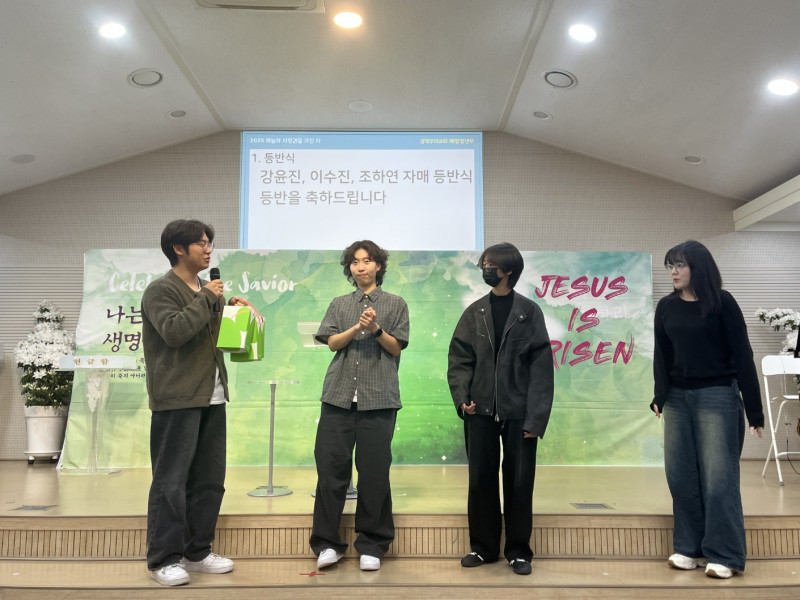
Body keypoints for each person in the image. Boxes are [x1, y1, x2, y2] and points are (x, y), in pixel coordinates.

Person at [141, 219, 251, 587]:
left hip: (213, 396)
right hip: (176, 399)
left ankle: (197, 551)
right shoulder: (161, 290)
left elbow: (217, 341)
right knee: (171, 482)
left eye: (209, 243)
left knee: (209, 481)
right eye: (201, 243)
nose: (208, 249)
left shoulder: (208, 290)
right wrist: (207, 299)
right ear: (178, 248)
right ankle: (163, 559)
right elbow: (174, 332)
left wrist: (233, 311)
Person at [651, 240, 764, 579]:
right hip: (677, 399)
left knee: (718, 478)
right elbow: (661, 355)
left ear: (697, 268)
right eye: (671, 265)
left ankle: (726, 554)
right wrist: (660, 394)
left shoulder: (722, 303)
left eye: (680, 265)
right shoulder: (666, 307)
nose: (673, 271)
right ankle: (690, 548)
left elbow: (743, 355)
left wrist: (754, 410)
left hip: (717, 395)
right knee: (680, 476)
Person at [447, 242, 554, 576]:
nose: (486, 269)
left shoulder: (529, 312)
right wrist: (462, 397)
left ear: (509, 270)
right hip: (478, 410)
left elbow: (541, 370)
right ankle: (482, 548)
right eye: (484, 264)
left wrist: (536, 418)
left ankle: (519, 552)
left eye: (491, 265)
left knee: (519, 482)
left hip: (519, 412)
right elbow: (459, 359)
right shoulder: (474, 312)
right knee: (480, 479)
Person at [309, 240, 410, 572]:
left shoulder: (396, 304)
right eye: (354, 262)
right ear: (349, 268)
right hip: (337, 398)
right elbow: (332, 343)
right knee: (330, 472)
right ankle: (327, 544)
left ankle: (372, 544)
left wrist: (376, 329)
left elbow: (395, 348)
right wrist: (356, 327)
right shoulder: (339, 304)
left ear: (378, 266)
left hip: (378, 400)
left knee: (374, 473)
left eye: (367, 261)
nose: (360, 267)